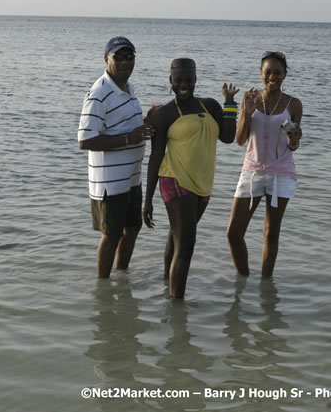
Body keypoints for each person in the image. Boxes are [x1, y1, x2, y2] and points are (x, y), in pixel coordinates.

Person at [142, 58, 238, 299]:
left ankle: (168, 286)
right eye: (178, 80)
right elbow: (155, 156)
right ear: (170, 81)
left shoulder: (211, 106)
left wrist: (229, 103)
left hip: (202, 184)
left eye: (188, 79)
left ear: (196, 80)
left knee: (177, 238)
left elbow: (227, 137)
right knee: (186, 247)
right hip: (174, 179)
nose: (183, 84)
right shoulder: (164, 113)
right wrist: (148, 199)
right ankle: (177, 312)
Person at [78, 36, 153, 278]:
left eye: (129, 57)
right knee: (111, 235)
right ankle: (103, 289)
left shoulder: (128, 89)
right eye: (118, 57)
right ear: (106, 59)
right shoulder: (98, 93)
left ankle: (122, 278)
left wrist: (147, 122)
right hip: (109, 183)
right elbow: (86, 140)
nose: (125, 62)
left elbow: (127, 127)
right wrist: (128, 139)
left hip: (131, 179)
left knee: (132, 229)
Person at [226, 51, 303, 278]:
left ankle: (265, 285)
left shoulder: (294, 104)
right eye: (268, 72)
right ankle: (243, 279)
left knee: (271, 233)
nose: (272, 77)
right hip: (252, 171)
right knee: (234, 233)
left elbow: (293, 145)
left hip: (282, 173)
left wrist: (293, 139)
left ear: (285, 74)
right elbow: (240, 140)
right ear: (261, 73)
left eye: (277, 72)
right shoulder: (250, 99)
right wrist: (248, 114)